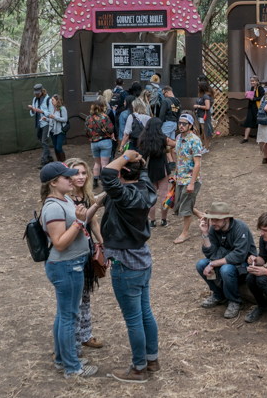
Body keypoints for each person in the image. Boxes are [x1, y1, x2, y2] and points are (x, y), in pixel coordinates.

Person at [99, 149, 159, 382]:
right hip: (142, 260)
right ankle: (152, 360)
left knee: (133, 318)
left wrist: (126, 156)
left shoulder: (123, 194)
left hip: (125, 265)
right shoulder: (146, 189)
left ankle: (138, 369)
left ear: (123, 171)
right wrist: (139, 163)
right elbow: (138, 174)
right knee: (145, 313)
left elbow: (106, 174)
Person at [39, 162, 98, 379]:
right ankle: (72, 367)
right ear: (53, 183)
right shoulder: (53, 207)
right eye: (67, 177)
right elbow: (60, 243)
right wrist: (79, 223)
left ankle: (61, 360)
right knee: (68, 317)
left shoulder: (64, 200)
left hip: (71, 264)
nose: (72, 180)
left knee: (63, 315)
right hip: (66, 266)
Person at [65, 157, 105, 353]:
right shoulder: (63, 198)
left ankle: (85, 334)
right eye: (75, 173)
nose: (80, 177)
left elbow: (94, 222)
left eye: (83, 173)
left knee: (86, 295)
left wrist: (102, 243)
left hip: (87, 250)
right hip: (71, 252)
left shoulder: (88, 195)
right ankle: (72, 343)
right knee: (75, 300)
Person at [197, 202, 258, 319]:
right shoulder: (214, 229)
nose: (213, 223)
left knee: (226, 269)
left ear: (227, 218)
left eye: (216, 220)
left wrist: (213, 263)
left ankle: (235, 301)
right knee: (200, 264)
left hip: (243, 265)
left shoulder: (240, 228)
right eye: (212, 220)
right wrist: (205, 234)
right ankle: (219, 295)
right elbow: (210, 253)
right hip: (222, 261)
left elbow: (238, 256)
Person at [138, 117, 175, 228]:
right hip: (162, 167)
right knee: (164, 195)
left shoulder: (143, 139)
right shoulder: (163, 139)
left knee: (151, 196)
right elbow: (174, 144)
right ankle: (164, 220)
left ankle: (152, 221)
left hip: (149, 169)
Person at [172, 113, 204, 244]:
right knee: (178, 206)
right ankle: (204, 217)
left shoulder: (195, 140)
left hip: (191, 179)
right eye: (180, 123)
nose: (181, 126)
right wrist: (175, 172)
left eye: (184, 124)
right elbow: (178, 157)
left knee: (185, 206)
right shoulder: (178, 138)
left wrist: (192, 183)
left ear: (190, 125)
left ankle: (185, 233)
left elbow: (198, 164)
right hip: (180, 178)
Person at [84, 97, 114, 190]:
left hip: (94, 142)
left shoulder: (88, 118)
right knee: (105, 163)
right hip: (105, 141)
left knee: (97, 163)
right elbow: (111, 129)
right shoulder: (105, 117)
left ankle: (95, 182)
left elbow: (87, 131)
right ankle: (105, 183)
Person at [28, 83, 53, 169]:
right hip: (38, 123)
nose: (36, 95)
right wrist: (32, 109)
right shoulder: (35, 99)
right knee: (43, 142)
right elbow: (32, 114)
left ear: (42, 91)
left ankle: (43, 161)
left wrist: (41, 111)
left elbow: (50, 113)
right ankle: (50, 157)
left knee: (44, 142)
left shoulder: (48, 100)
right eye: (35, 93)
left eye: (38, 93)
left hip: (46, 123)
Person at [46, 94, 69, 162]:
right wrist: (46, 120)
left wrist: (54, 117)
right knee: (55, 148)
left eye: (53, 100)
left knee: (59, 148)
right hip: (53, 131)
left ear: (57, 100)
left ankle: (64, 162)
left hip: (60, 131)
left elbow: (65, 119)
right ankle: (59, 163)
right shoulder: (52, 109)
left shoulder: (62, 108)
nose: (51, 101)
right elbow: (52, 120)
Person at [241, 76, 264, 143]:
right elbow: (251, 96)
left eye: (253, 81)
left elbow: (262, 97)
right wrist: (247, 95)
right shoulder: (252, 88)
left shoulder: (260, 88)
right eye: (251, 81)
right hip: (251, 107)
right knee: (249, 120)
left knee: (259, 122)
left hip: (257, 107)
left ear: (257, 81)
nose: (252, 82)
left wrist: (254, 99)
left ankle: (260, 138)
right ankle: (245, 138)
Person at [194, 81, 214, 154]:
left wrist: (198, 106)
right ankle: (203, 146)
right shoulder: (202, 96)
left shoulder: (206, 96)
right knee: (202, 131)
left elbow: (207, 107)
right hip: (200, 115)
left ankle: (206, 148)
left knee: (205, 131)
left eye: (199, 86)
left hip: (204, 116)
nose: (198, 88)